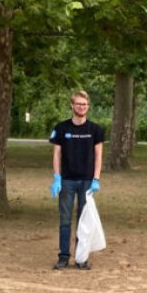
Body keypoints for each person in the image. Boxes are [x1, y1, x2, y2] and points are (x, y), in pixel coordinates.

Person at [49, 90, 104, 270]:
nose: (82, 107)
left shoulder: (95, 130)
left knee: (84, 221)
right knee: (65, 220)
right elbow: (57, 154)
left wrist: (96, 179)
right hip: (66, 181)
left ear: (88, 106)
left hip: (87, 181)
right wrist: (57, 177)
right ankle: (63, 256)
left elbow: (98, 155)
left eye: (85, 104)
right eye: (78, 104)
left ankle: (81, 258)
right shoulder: (61, 128)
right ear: (72, 105)